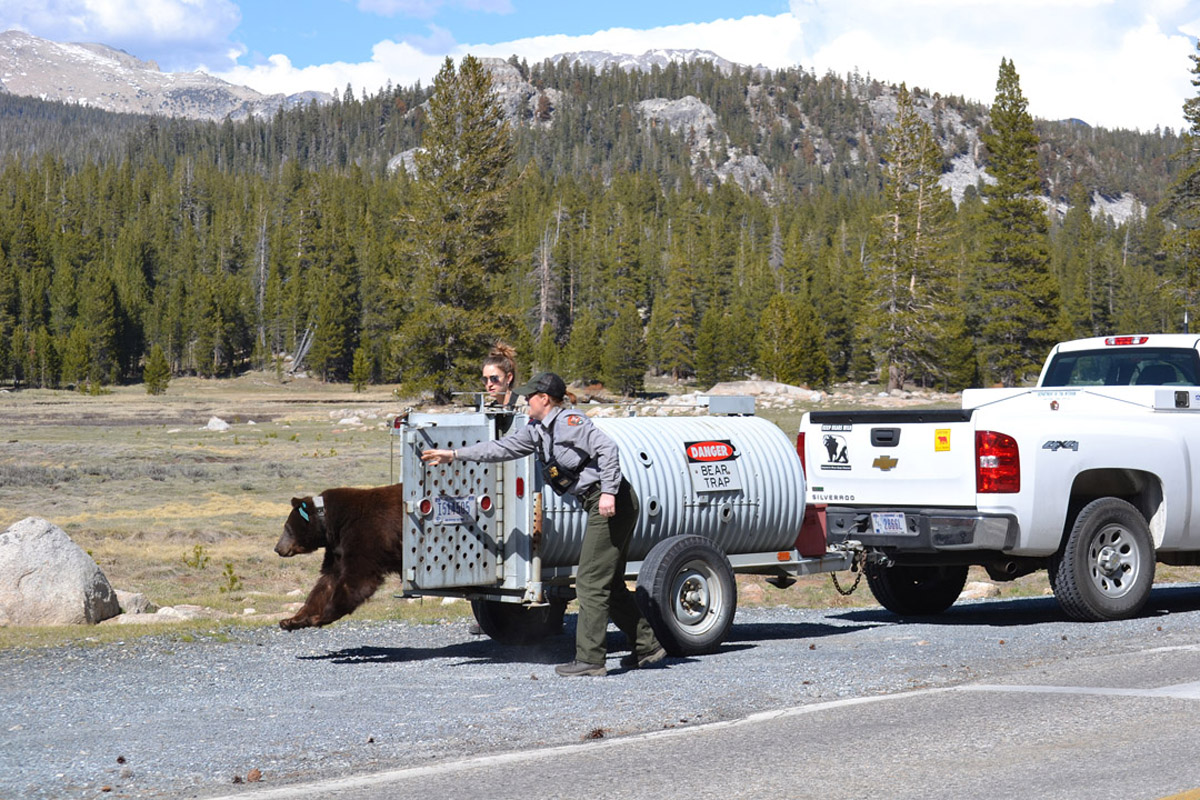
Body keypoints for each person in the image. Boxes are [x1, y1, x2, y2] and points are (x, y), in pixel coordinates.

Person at [421, 372, 665, 677]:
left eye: (529, 397)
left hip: (613, 504)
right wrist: (454, 455)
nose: (525, 401)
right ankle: (647, 646)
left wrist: (608, 493)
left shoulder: (569, 422)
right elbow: (502, 449)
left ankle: (590, 660)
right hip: (598, 503)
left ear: (545, 399)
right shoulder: (537, 430)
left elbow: (608, 450)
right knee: (609, 582)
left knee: (589, 581)